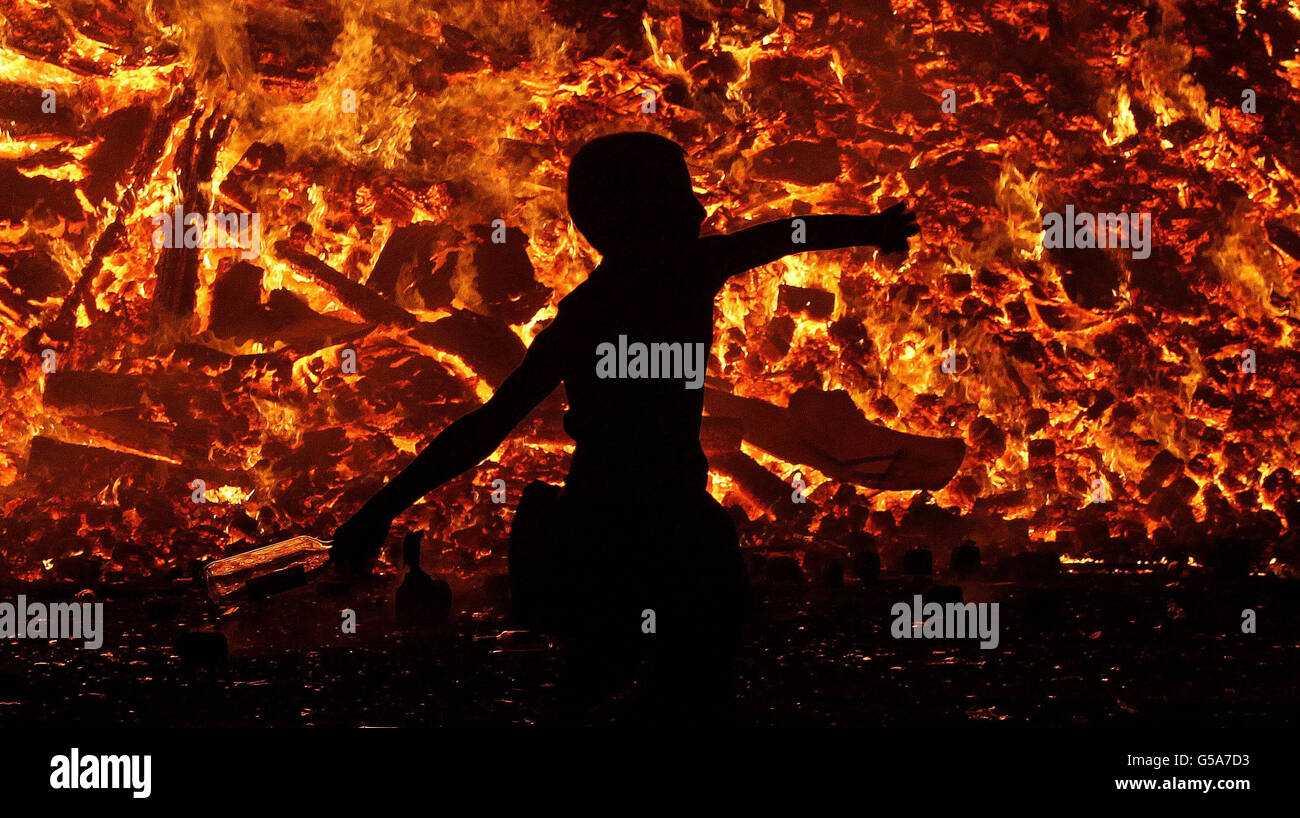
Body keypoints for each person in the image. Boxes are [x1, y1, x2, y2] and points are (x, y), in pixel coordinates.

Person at [330, 131, 919, 719]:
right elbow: (786, 237)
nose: (699, 208)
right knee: (683, 679)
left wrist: (379, 511)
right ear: (639, 213)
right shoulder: (687, 272)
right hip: (665, 521)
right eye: (679, 195)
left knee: (603, 674)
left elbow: (488, 425)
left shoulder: (591, 311)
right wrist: (870, 228)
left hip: (600, 523)